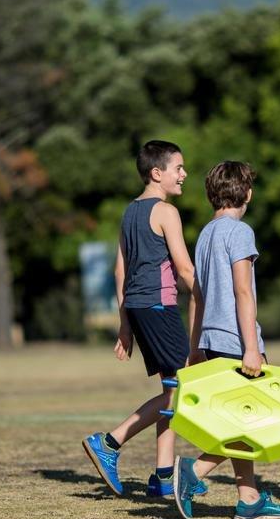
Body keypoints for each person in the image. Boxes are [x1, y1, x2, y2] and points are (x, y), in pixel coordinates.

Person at [82, 140, 208, 498]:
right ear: (157, 173)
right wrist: (207, 294)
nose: (184, 174)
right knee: (181, 389)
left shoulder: (129, 212)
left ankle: (163, 477)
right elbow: (184, 267)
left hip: (139, 307)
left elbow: (120, 269)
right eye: (178, 168)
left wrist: (125, 324)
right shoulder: (166, 212)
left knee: (172, 388)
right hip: (158, 307)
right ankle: (110, 442)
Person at [172, 161, 280, 519]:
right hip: (235, 341)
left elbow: (197, 295)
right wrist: (251, 348)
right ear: (248, 194)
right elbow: (243, 291)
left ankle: (248, 498)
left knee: (238, 418)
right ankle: (193, 473)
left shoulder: (207, 233)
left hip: (211, 340)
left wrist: (195, 346)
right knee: (252, 421)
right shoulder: (240, 232)